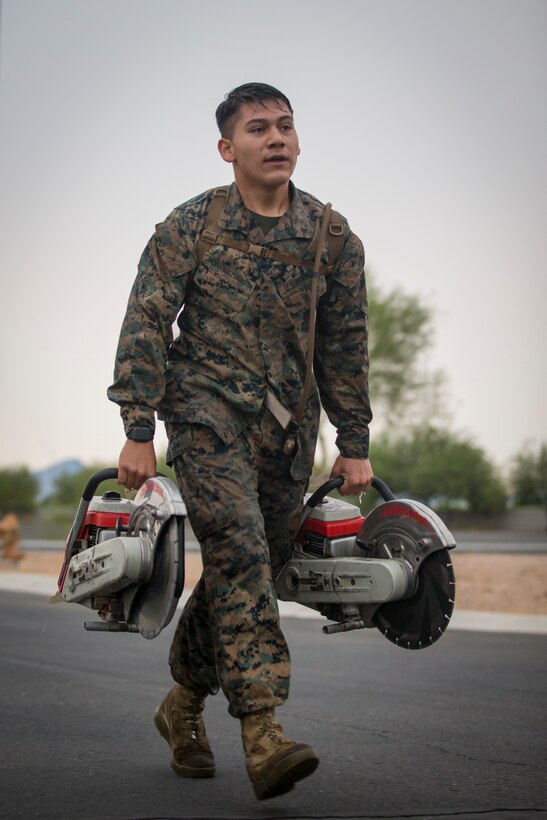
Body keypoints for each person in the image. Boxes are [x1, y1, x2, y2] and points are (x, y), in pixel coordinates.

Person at [108, 82, 373, 800]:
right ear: (229, 149)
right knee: (243, 551)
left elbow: (345, 345)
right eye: (258, 129)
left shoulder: (330, 235)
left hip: (288, 434)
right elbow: (146, 321)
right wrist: (138, 427)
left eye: (285, 125)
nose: (277, 138)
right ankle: (263, 731)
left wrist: (353, 441)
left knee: (243, 569)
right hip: (203, 417)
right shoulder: (190, 225)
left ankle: (182, 706)